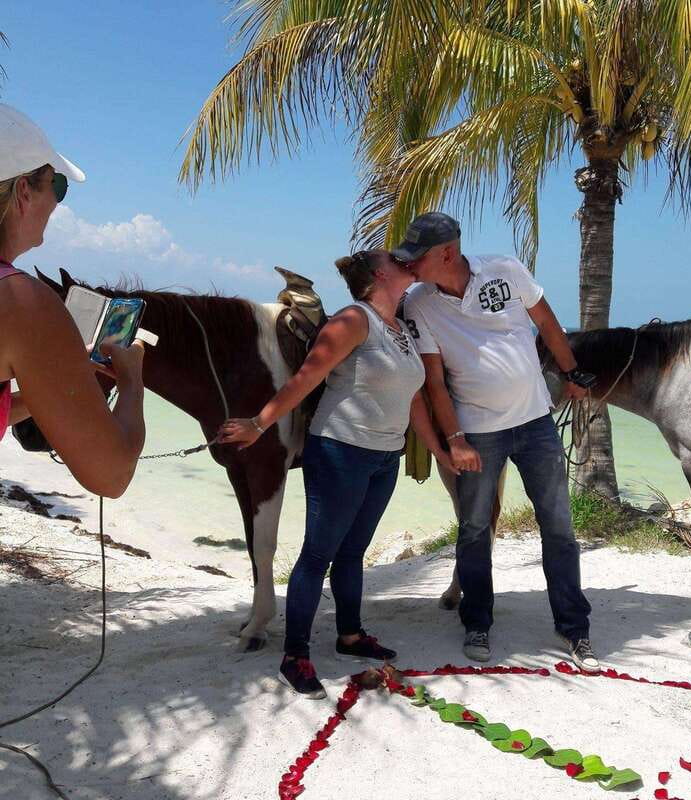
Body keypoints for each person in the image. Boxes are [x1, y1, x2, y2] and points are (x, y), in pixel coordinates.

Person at [218, 249, 458, 698]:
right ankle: (295, 655)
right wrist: (258, 423)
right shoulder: (353, 320)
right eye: (397, 259)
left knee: (353, 552)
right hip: (340, 451)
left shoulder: (401, 328)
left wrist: (439, 452)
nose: (408, 261)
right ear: (379, 275)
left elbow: (413, 400)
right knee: (317, 555)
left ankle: (350, 636)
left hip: (385, 456)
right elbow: (306, 379)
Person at [398, 212, 599, 672]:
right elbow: (433, 381)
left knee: (559, 529)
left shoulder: (505, 270)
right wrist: (455, 439)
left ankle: (573, 627)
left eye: (417, 257)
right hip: (478, 434)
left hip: (536, 424)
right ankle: (477, 621)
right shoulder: (419, 303)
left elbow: (547, 323)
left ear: (447, 253)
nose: (410, 266)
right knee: (473, 530)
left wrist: (571, 372)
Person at [0, 104, 145, 497]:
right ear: (24, 192)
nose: (58, 203)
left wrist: (52, 381)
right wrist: (132, 380)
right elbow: (111, 476)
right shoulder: (20, 301)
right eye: (58, 186)